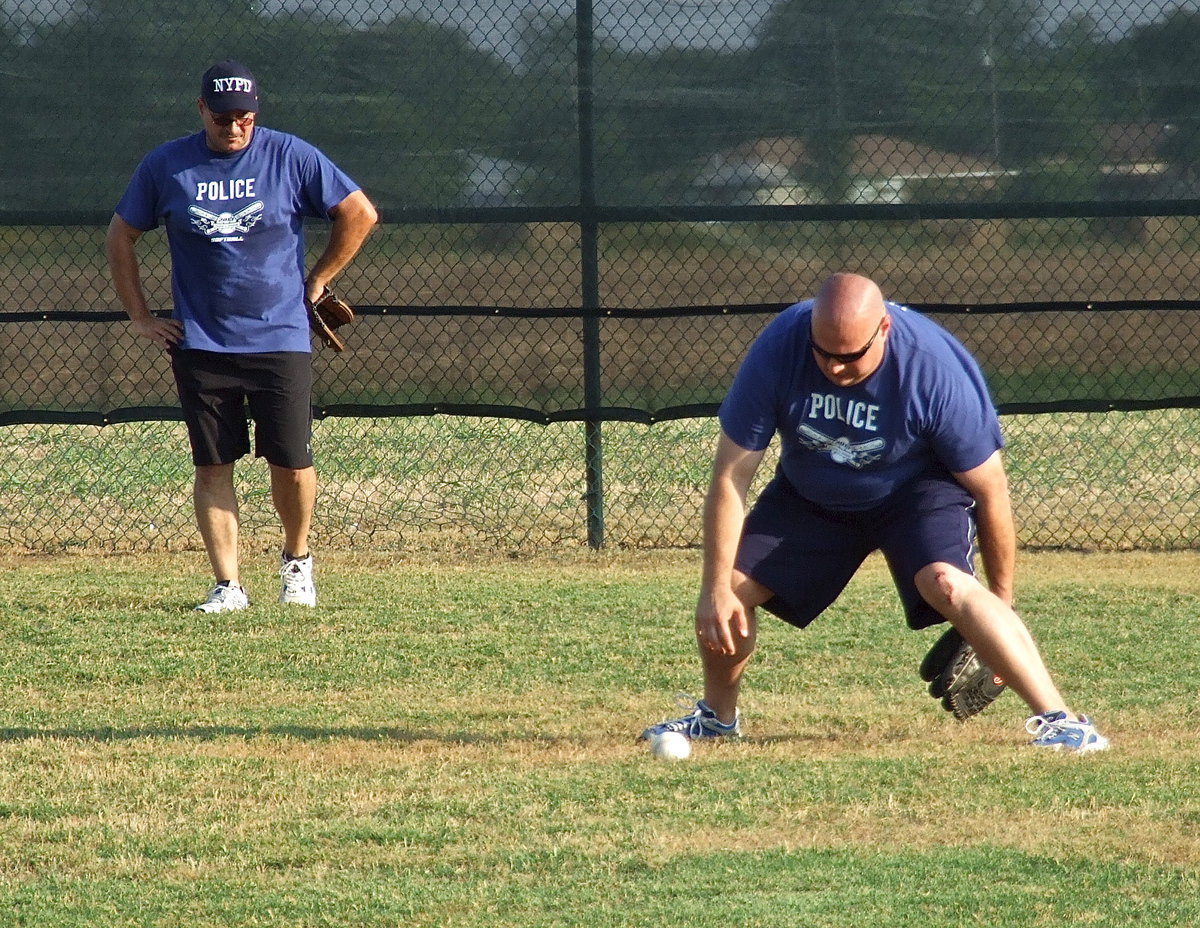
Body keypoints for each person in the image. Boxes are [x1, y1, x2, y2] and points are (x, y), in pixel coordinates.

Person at [641, 272, 1109, 754]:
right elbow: (730, 477)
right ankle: (718, 719)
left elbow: (991, 490)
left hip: (916, 492)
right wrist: (714, 588)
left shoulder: (932, 371)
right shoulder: (781, 346)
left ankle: (1063, 722)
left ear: (883, 329)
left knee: (947, 583)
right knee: (732, 593)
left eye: (850, 356)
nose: (836, 368)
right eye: (824, 354)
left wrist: (1000, 606)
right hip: (813, 495)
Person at [105, 59, 378, 612]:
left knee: (292, 462)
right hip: (202, 341)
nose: (234, 127)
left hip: (280, 336)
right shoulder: (167, 164)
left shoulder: (289, 155)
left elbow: (359, 212)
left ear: (256, 113)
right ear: (201, 109)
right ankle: (227, 585)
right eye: (223, 115)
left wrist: (319, 280)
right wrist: (140, 316)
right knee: (212, 464)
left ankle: (297, 563)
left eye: (244, 116)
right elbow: (121, 234)